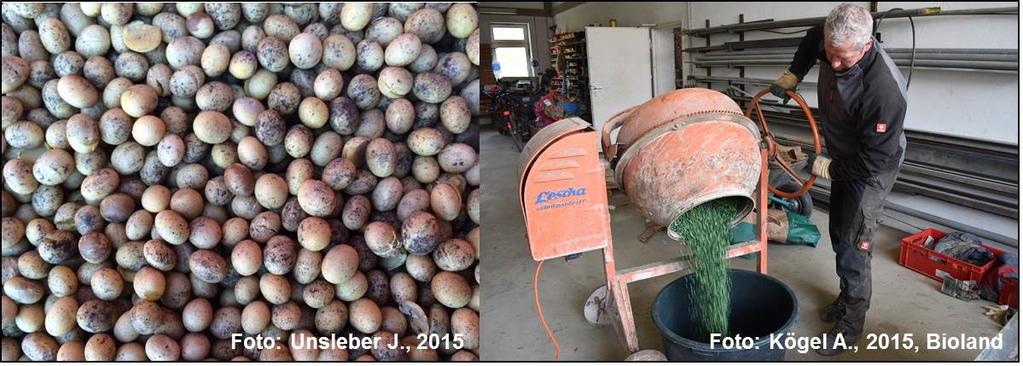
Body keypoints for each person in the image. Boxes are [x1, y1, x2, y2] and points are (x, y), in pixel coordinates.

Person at [770, 3, 907, 356]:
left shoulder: (884, 91)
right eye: (830, 55)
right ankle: (846, 297)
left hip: (873, 166)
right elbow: (811, 40)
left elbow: (874, 158)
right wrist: (793, 74)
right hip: (845, 152)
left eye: (843, 60)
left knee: (854, 242)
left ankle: (851, 325)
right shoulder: (831, 37)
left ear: (866, 46)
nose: (833, 65)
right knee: (837, 231)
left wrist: (828, 168)